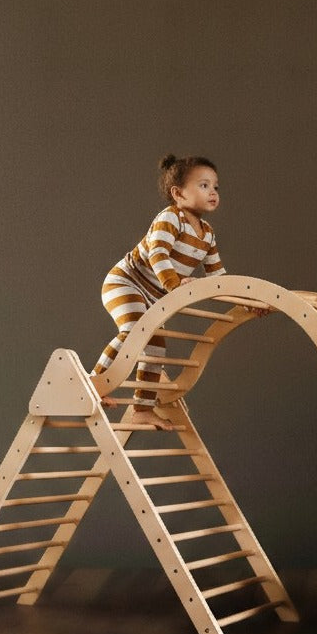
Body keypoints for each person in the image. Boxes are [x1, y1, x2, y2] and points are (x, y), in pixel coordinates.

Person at [92, 154, 226, 429]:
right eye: (203, 185)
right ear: (178, 193)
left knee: (155, 347)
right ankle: (94, 381)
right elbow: (158, 254)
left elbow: (218, 279)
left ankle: (142, 409)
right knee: (134, 329)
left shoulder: (208, 234)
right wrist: (175, 285)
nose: (212, 192)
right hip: (126, 282)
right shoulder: (171, 218)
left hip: (154, 297)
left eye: (215, 187)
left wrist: (246, 302)